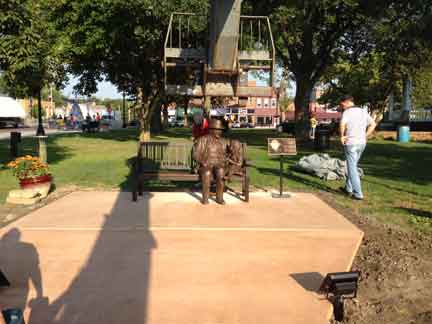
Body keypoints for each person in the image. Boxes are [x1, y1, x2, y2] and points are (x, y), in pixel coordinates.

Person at [339, 95, 376, 200]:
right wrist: (365, 135)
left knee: (352, 169)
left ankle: (358, 194)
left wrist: (342, 136)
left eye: (342, 104)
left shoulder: (347, 112)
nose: (341, 106)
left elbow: (342, 124)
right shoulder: (363, 111)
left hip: (351, 143)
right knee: (353, 165)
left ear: (346, 102)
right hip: (361, 143)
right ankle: (348, 188)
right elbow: (373, 124)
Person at [193, 119, 227, 205]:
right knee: (207, 173)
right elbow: (195, 154)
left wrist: (224, 161)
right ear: (211, 130)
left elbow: (226, 155)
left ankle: (219, 198)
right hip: (206, 164)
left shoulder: (223, 141)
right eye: (217, 130)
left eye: (220, 130)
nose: (219, 132)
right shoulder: (203, 140)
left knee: (221, 174)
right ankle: (205, 198)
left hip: (218, 164)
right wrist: (202, 162)